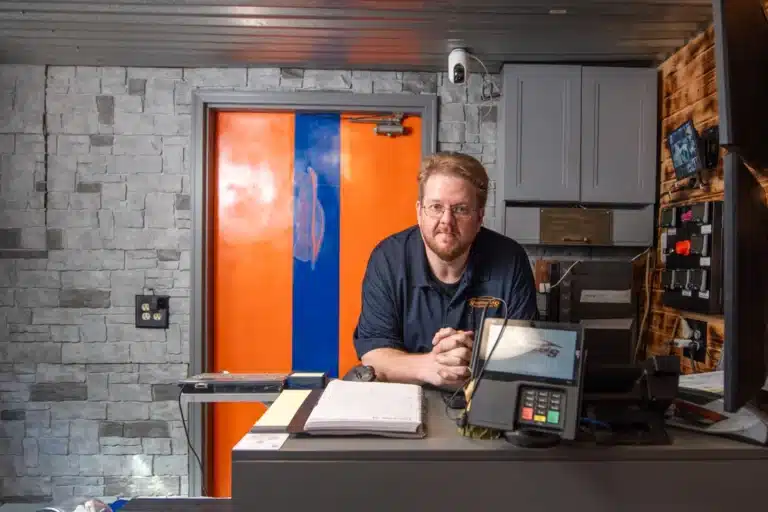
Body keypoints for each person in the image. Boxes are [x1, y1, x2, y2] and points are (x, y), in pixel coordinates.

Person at [352, 151, 538, 389]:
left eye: (460, 209)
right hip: (405, 403)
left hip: (483, 399)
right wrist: (431, 366)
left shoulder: (511, 260)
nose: (446, 221)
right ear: (419, 211)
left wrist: (472, 356)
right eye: (436, 207)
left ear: (480, 216)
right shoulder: (387, 259)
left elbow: (523, 350)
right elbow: (374, 355)